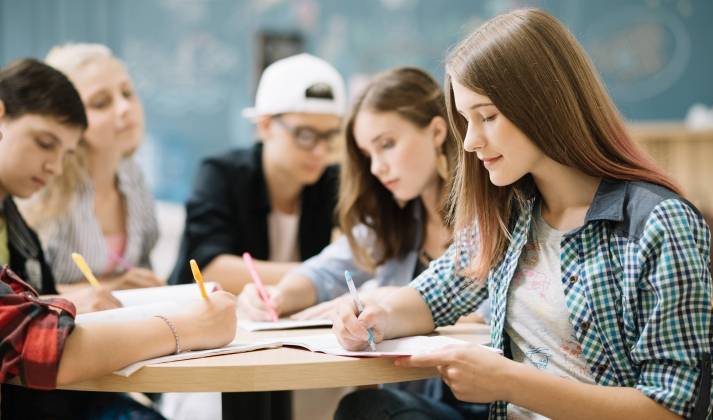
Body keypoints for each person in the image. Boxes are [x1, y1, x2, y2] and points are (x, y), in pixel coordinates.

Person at [333, 8, 713, 420]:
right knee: (367, 408)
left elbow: (678, 408)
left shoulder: (659, 223)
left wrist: (510, 383)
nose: (470, 142)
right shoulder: (511, 212)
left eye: (487, 117)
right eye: (466, 121)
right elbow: (434, 295)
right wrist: (377, 315)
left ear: (544, 104)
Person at [0, 58, 237, 420]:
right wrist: (191, 326)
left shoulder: (16, 221)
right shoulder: (37, 209)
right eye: (44, 143)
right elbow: (41, 343)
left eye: (64, 153)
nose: (54, 166)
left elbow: (30, 310)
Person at [239, 67, 457, 322]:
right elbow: (326, 273)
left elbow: (492, 313)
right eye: (368, 155)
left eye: (387, 145)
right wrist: (277, 297)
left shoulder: (486, 214)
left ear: (437, 132)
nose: (377, 168)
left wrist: (389, 300)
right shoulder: (394, 219)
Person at [168, 53, 345, 295]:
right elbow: (208, 269)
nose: (320, 151)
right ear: (265, 126)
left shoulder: (332, 181)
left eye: (330, 136)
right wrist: (322, 275)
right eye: (305, 135)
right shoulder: (222, 174)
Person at [22, 43, 162, 313]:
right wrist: (113, 286)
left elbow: (143, 271)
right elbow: (23, 292)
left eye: (127, 93)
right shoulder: (40, 186)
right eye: (101, 103)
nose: (124, 108)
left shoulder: (132, 175)